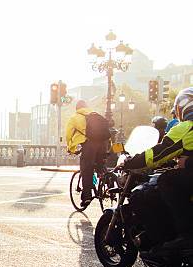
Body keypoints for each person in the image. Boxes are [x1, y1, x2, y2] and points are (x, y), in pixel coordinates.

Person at [123, 87, 193, 250]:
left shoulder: (187, 127)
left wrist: (132, 162)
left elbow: (159, 153)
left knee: (166, 180)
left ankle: (185, 235)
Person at [65, 100, 111, 207]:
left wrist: (71, 148)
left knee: (86, 169)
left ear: (77, 108)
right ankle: (110, 185)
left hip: (90, 145)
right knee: (101, 165)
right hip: (103, 144)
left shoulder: (75, 117)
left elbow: (68, 135)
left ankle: (87, 197)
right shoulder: (95, 114)